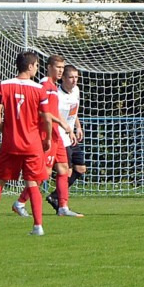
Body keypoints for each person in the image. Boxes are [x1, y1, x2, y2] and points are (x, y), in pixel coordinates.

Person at [0, 52, 52, 235]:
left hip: (10, 143)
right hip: (32, 144)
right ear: (29, 66)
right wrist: (47, 138)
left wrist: (5, 131)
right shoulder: (39, 89)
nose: (37, 68)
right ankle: (38, 226)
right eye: (36, 65)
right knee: (32, 183)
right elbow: (47, 118)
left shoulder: (4, 85)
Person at [12, 55, 81, 218]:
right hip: (47, 134)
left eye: (62, 68)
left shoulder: (53, 86)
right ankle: (20, 203)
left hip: (57, 135)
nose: (60, 71)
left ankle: (63, 207)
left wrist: (70, 127)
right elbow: (44, 112)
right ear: (49, 67)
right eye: (58, 67)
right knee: (44, 173)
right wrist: (63, 125)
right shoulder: (45, 85)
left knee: (64, 169)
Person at [46, 64, 87, 208]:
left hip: (71, 136)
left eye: (76, 77)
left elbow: (73, 111)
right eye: (71, 77)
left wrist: (78, 127)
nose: (74, 80)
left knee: (80, 168)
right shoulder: (57, 94)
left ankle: (54, 196)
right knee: (65, 171)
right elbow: (55, 115)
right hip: (61, 137)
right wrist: (67, 129)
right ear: (63, 78)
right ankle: (60, 202)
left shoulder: (76, 90)